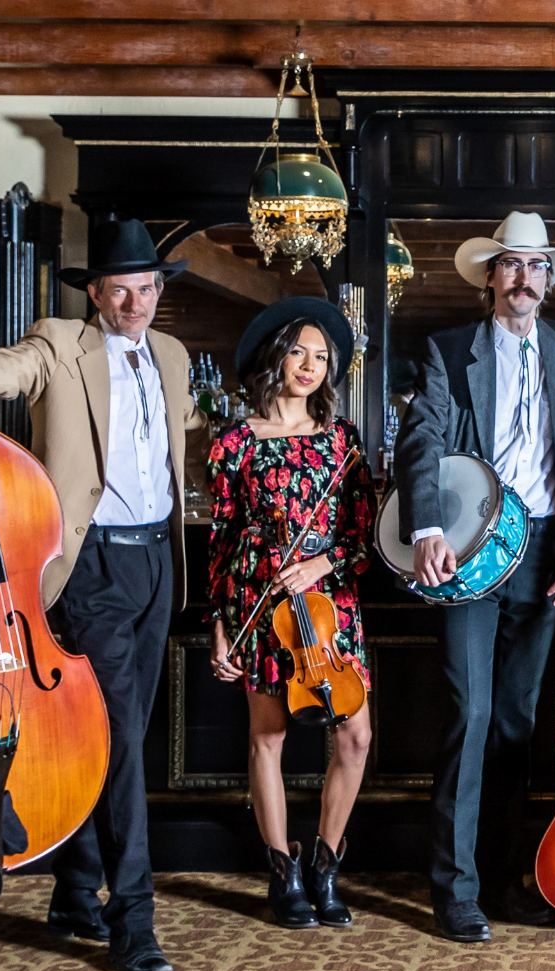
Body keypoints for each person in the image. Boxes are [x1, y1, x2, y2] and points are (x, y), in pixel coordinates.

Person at [0, 218, 202, 971]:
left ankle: (74, 893)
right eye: (121, 290)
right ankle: (133, 921)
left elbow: (184, 429)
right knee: (124, 745)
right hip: (90, 566)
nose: (135, 303)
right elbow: (3, 370)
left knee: (115, 737)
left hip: (158, 563)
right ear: (95, 293)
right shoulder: (60, 344)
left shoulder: (172, 356)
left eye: (147, 289)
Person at [392, 212, 555, 943]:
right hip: (470, 549)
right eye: (512, 264)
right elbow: (421, 438)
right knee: (471, 713)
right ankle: (454, 889)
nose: (524, 278)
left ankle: (506, 879)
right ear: (491, 277)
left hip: (546, 552)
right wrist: (425, 526)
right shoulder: (451, 351)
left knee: (517, 722)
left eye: (537, 266)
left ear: (549, 279)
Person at [206, 297, 376, 932]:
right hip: (259, 601)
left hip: (329, 607)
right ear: (275, 357)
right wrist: (220, 624)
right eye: (299, 352)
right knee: (268, 737)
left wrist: (320, 563)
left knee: (355, 736)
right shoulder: (234, 442)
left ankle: (326, 866)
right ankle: (283, 872)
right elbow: (222, 540)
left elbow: (365, 535)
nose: (310, 365)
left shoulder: (342, 442)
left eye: (322, 357)